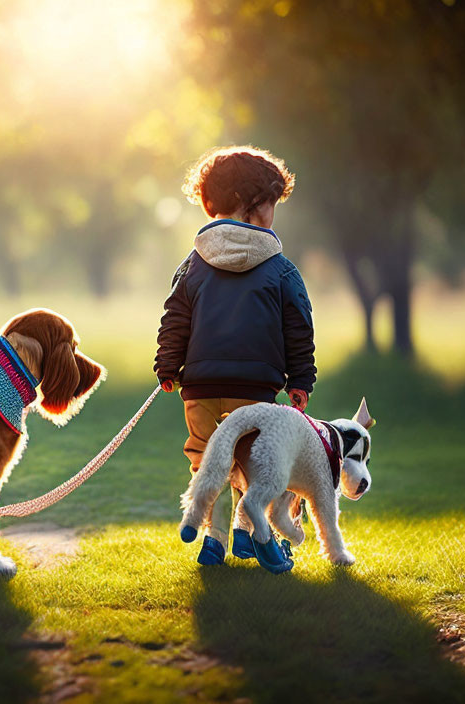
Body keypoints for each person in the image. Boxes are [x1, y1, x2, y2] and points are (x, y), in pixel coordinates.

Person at [153, 145, 316, 565]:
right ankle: (247, 535)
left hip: (201, 387)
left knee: (209, 462)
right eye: (273, 204)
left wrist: (168, 366)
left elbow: (175, 317)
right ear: (252, 205)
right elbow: (298, 326)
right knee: (254, 464)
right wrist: (300, 379)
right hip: (255, 389)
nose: (274, 213)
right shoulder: (280, 269)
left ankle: (213, 539)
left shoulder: (194, 263)